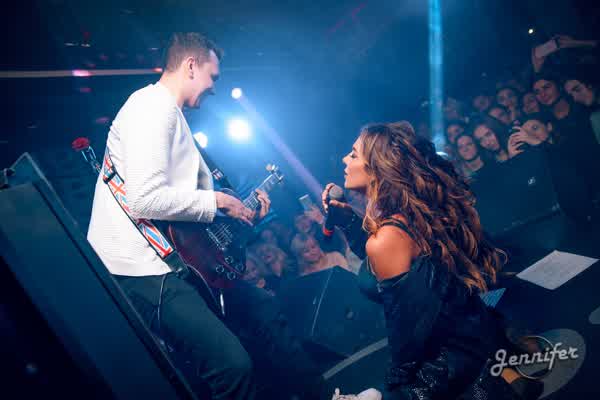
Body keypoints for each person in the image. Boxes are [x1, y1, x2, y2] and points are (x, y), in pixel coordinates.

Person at [87, 32, 325, 399]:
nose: (214, 86)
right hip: (144, 270)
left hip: (174, 261)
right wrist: (219, 202)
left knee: (262, 311)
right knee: (232, 365)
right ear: (190, 66)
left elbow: (181, 212)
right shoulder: (152, 108)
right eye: (212, 76)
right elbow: (144, 199)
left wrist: (236, 212)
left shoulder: (171, 115)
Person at [325, 121, 541, 400]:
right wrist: (348, 221)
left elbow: (408, 343)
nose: (344, 159)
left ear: (377, 167)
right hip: (471, 339)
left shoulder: (388, 237)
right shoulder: (409, 215)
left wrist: (388, 393)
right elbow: (381, 265)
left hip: (455, 369)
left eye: (353, 154)